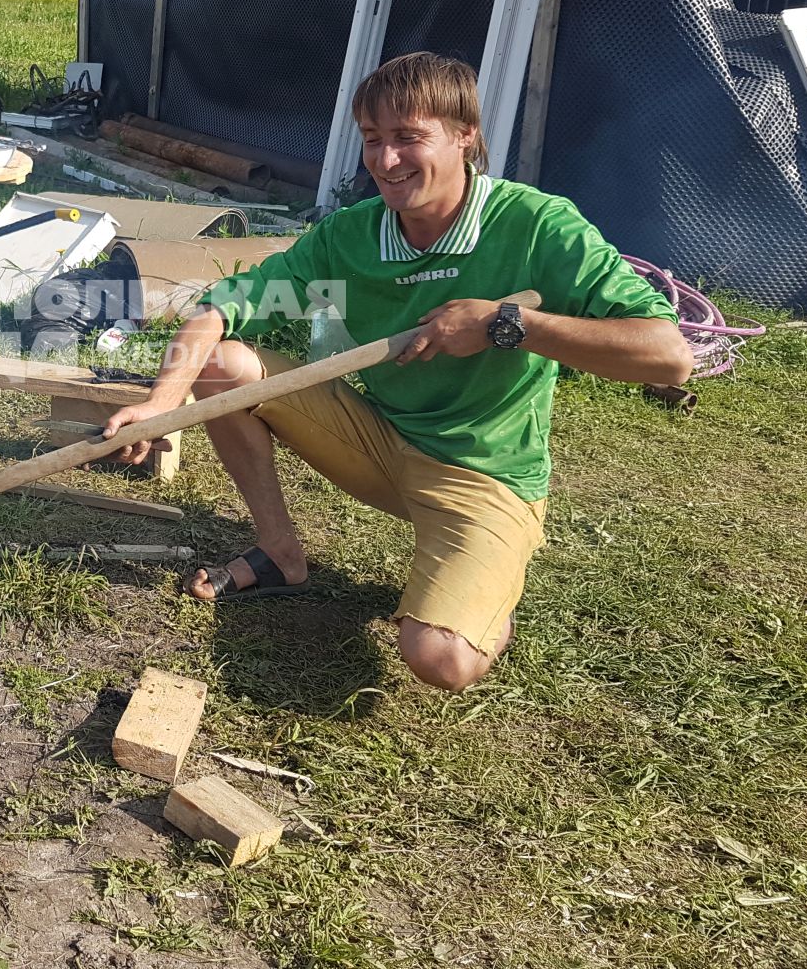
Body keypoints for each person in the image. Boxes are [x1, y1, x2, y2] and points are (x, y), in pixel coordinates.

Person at [98, 52, 693, 692]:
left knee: (441, 660)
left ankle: (485, 588)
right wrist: (164, 399)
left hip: (483, 475)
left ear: (466, 135)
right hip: (377, 441)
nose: (385, 162)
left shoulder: (537, 226)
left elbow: (668, 354)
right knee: (221, 366)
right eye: (373, 141)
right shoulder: (352, 235)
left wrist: (507, 324)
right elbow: (221, 305)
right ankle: (280, 554)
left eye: (409, 137)